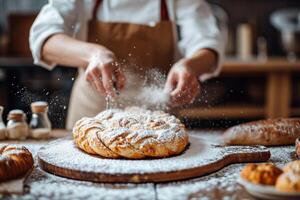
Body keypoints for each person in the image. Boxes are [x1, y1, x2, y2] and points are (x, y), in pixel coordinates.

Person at [30, 0, 224, 129]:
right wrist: (93, 54)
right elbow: (43, 39)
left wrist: (190, 65)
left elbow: (208, 44)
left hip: (157, 119)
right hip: (92, 112)